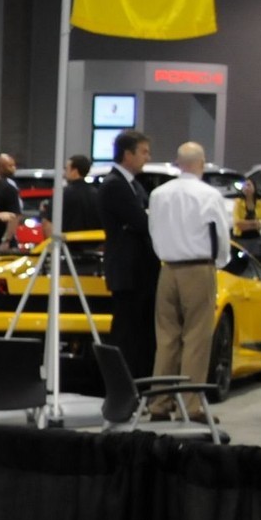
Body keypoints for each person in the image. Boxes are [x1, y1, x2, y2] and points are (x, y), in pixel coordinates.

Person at [147, 141, 230, 417]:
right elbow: (221, 235)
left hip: (167, 269)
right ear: (201, 163)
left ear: (178, 163)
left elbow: (153, 230)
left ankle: (159, 403)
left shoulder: (159, 194)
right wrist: (218, 263)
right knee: (196, 338)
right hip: (198, 268)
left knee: (166, 337)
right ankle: (189, 406)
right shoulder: (208, 195)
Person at [95, 130, 157, 372]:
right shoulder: (115, 186)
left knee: (139, 333)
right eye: (143, 152)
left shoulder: (133, 186)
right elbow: (142, 222)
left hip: (139, 271)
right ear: (127, 154)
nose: (148, 157)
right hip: (128, 271)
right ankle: (125, 385)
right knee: (127, 334)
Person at [57, 154, 104, 233]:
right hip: (93, 242)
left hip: (68, 243)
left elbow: (50, 221)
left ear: (75, 171)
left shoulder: (63, 194)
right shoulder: (97, 195)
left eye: (67, 169)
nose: (64, 173)